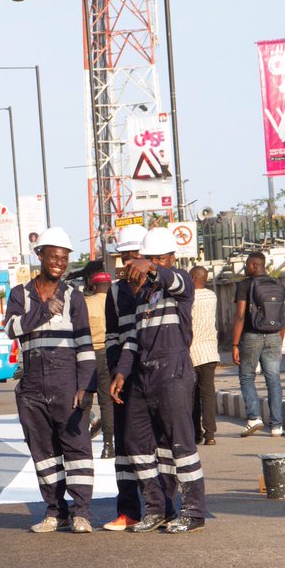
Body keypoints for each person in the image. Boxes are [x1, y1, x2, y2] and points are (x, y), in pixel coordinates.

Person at [110, 227, 207, 534]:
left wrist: (151, 267)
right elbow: (132, 341)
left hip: (173, 370)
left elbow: (172, 278)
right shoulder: (142, 297)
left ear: (170, 258)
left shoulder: (181, 284)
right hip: (143, 374)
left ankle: (194, 512)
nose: (152, 264)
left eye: (158, 259)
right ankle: (158, 508)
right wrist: (121, 373)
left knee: (181, 443)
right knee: (135, 442)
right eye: (148, 258)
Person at [3, 228, 97, 534]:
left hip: (65, 379)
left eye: (64, 258)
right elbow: (11, 329)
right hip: (32, 382)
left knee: (76, 446)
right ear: (40, 256)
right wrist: (44, 311)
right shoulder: (20, 294)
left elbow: (85, 345)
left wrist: (85, 386)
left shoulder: (74, 297)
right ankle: (56, 512)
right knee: (43, 452)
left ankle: (81, 511)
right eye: (53, 256)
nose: (59, 263)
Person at [101, 223, 147, 532]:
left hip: (158, 374)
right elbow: (111, 335)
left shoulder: (161, 286)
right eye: (123, 256)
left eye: (132, 255)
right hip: (125, 377)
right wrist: (117, 369)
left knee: (163, 445)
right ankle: (128, 510)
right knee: (125, 445)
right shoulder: (116, 291)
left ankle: (164, 507)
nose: (126, 262)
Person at [232, 251, 285, 438]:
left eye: (247, 264)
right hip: (274, 336)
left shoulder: (244, 285)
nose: (245, 268)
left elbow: (240, 315)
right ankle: (277, 426)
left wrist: (234, 344)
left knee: (247, 377)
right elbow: (284, 314)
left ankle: (254, 417)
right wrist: (280, 338)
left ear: (255, 265)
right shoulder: (277, 284)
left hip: (251, 336)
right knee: (273, 380)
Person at [81, 271, 115, 456]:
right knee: (106, 402)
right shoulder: (116, 302)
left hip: (87, 354)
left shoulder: (86, 303)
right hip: (107, 354)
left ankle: (84, 445)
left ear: (93, 286)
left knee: (85, 400)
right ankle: (108, 446)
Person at [190, 266, 219, 446]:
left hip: (192, 351)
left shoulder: (188, 297)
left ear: (192, 278)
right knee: (208, 394)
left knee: (192, 395)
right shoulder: (212, 296)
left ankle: (196, 433)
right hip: (210, 351)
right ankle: (211, 434)